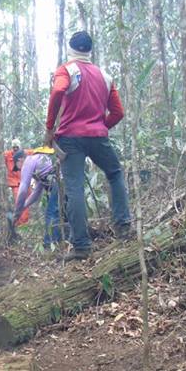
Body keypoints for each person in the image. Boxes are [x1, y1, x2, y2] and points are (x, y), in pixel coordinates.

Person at [43, 30, 132, 261]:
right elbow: (118, 112)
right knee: (115, 173)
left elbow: (59, 90)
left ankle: (81, 245)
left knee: (74, 188)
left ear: (70, 48)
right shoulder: (104, 75)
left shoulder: (66, 70)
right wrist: (101, 126)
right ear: (90, 50)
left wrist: (50, 127)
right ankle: (123, 226)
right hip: (97, 136)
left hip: (70, 138)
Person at [11, 150, 62, 248]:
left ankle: (49, 244)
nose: (19, 169)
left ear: (20, 159)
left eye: (17, 166)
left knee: (51, 213)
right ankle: (62, 240)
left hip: (58, 182)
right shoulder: (38, 163)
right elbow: (36, 193)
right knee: (59, 213)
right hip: (61, 182)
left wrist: (16, 212)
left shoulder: (28, 161)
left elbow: (23, 190)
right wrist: (22, 208)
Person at [3, 138, 30, 226]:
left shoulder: (25, 153)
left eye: (17, 147)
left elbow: (35, 152)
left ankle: (23, 223)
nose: (15, 149)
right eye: (13, 147)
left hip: (25, 181)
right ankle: (20, 223)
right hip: (15, 183)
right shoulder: (7, 155)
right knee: (20, 202)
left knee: (27, 202)